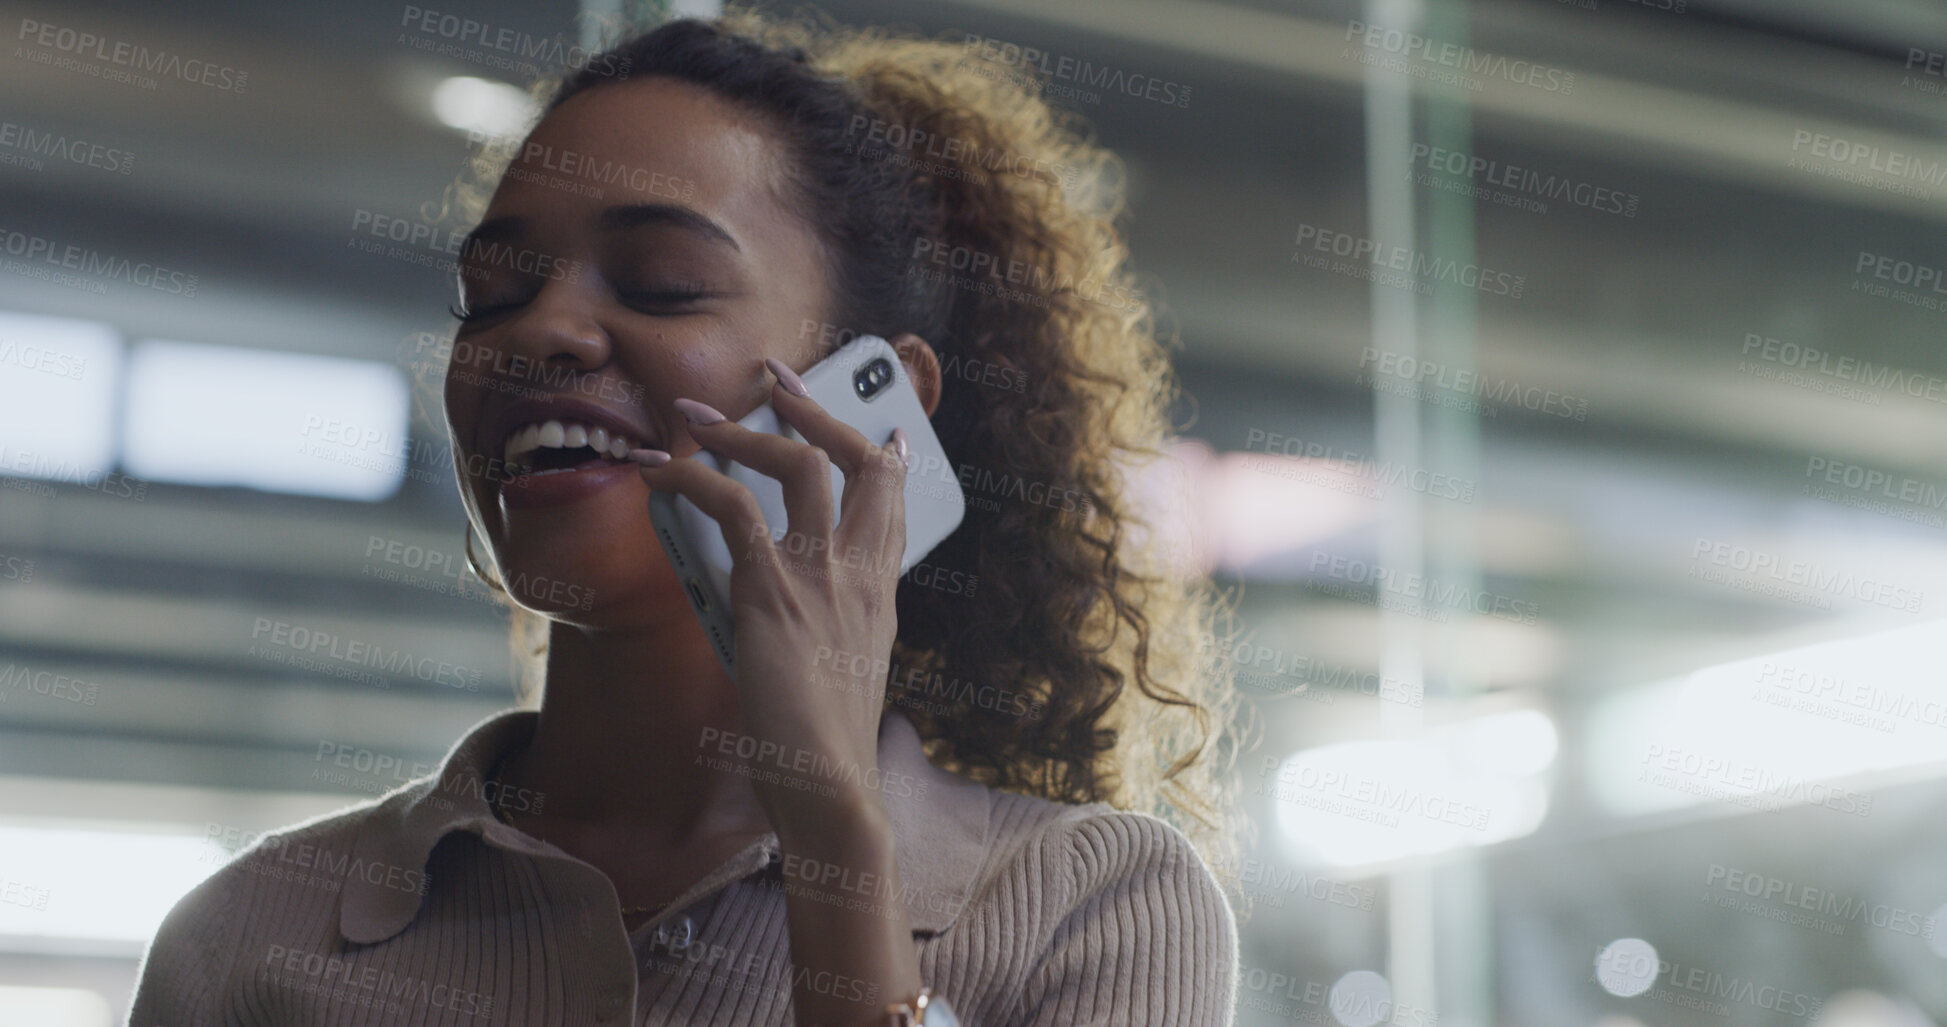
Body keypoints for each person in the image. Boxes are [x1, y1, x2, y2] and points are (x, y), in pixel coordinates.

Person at [130, 9, 1241, 1025]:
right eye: (496, 294)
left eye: (661, 283)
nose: (545, 330)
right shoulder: (248, 938)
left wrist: (834, 838)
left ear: (880, 405)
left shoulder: (1092, 905)